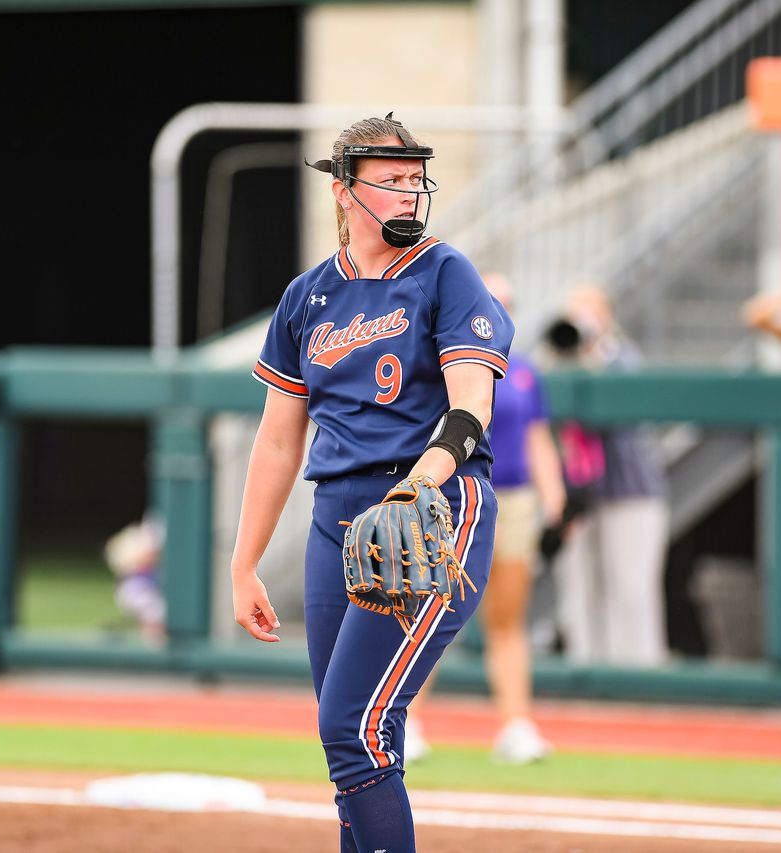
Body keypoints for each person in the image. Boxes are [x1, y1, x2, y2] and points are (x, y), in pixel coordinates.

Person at [229, 113, 512, 853]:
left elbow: (471, 403)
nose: (409, 195)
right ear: (344, 192)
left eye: (415, 180)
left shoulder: (446, 271)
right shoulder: (307, 297)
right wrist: (243, 560)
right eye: (390, 182)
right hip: (338, 517)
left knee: (350, 723)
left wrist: (420, 483)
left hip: (431, 503)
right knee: (354, 734)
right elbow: (278, 438)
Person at [406, 272, 566, 766]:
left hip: (512, 498)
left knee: (507, 616)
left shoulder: (522, 371)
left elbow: (536, 435)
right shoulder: (440, 364)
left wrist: (554, 496)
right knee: (429, 611)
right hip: (454, 495)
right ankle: (404, 720)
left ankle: (516, 725)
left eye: (507, 302)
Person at [547, 285, 670, 666]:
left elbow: (621, 412)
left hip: (629, 491)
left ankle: (637, 672)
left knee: (630, 587)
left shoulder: (623, 356)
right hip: (578, 495)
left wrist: (592, 352)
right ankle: (585, 669)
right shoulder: (557, 359)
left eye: (589, 310)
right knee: (578, 588)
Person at [103, 513, 166, 642]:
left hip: (140, 593)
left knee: (154, 613)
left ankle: (153, 635)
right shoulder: (136, 575)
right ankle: (154, 637)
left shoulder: (150, 570)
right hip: (138, 593)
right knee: (154, 612)